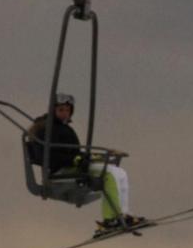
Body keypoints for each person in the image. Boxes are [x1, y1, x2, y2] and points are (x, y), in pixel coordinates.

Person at [29, 93, 141, 234]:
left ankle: (124, 214)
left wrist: (89, 157)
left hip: (74, 167)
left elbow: (75, 152)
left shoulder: (65, 129)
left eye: (68, 111)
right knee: (108, 175)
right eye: (61, 110)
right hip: (61, 172)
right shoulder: (45, 130)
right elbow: (50, 156)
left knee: (120, 172)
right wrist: (76, 160)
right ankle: (110, 219)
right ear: (53, 110)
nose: (65, 114)